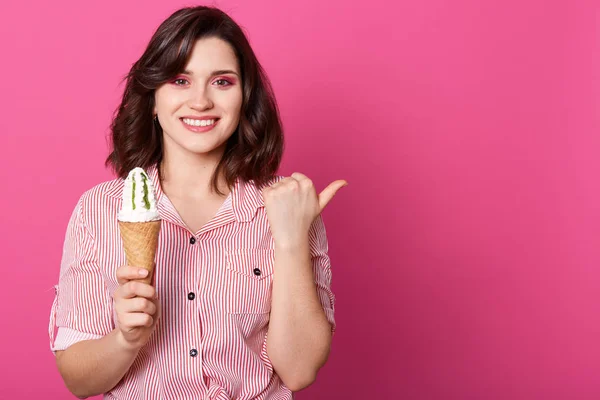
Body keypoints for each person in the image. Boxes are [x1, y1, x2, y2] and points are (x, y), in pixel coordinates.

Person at [48, 5, 347, 400]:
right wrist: (125, 339)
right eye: (179, 80)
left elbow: (299, 370)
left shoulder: (288, 204)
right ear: (152, 98)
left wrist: (290, 239)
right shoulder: (98, 211)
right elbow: (77, 380)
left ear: (245, 98)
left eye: (222, 82)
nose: (201, 101)